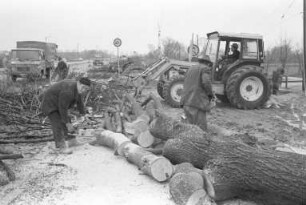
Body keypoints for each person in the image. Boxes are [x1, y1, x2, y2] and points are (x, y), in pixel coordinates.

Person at [41, 77, 91, 154]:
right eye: (83, 87)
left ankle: (71, 140)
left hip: (59, 104)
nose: (84, 90)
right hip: (50, 105)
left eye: (86, 89)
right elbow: (63, 108)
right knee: (58, 124)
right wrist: (67, 124)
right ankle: (61, 147)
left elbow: (80, 103)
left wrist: (84, 115)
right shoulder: (68, 91)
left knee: (66, 120)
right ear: (78, 83)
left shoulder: (77, 89)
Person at [180, 55, 215, 131]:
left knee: (187, 127)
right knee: (201, 128)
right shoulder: (205, 68)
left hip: (186, 101)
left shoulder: (191, 68)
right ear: (208, 63)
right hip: (197, 102)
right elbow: (206, 82)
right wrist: (211, 95)